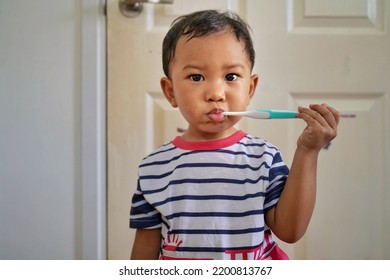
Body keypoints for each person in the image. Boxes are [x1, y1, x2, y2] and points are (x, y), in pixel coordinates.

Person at [129, 9, 339, 260]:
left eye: (231, 76)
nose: (216, 93)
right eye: (196, 77)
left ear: (250, 88)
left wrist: (308, 150)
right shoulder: (153, 168)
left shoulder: (264, 158)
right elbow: (144, 253)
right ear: (170, 91)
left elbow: (290, 231)